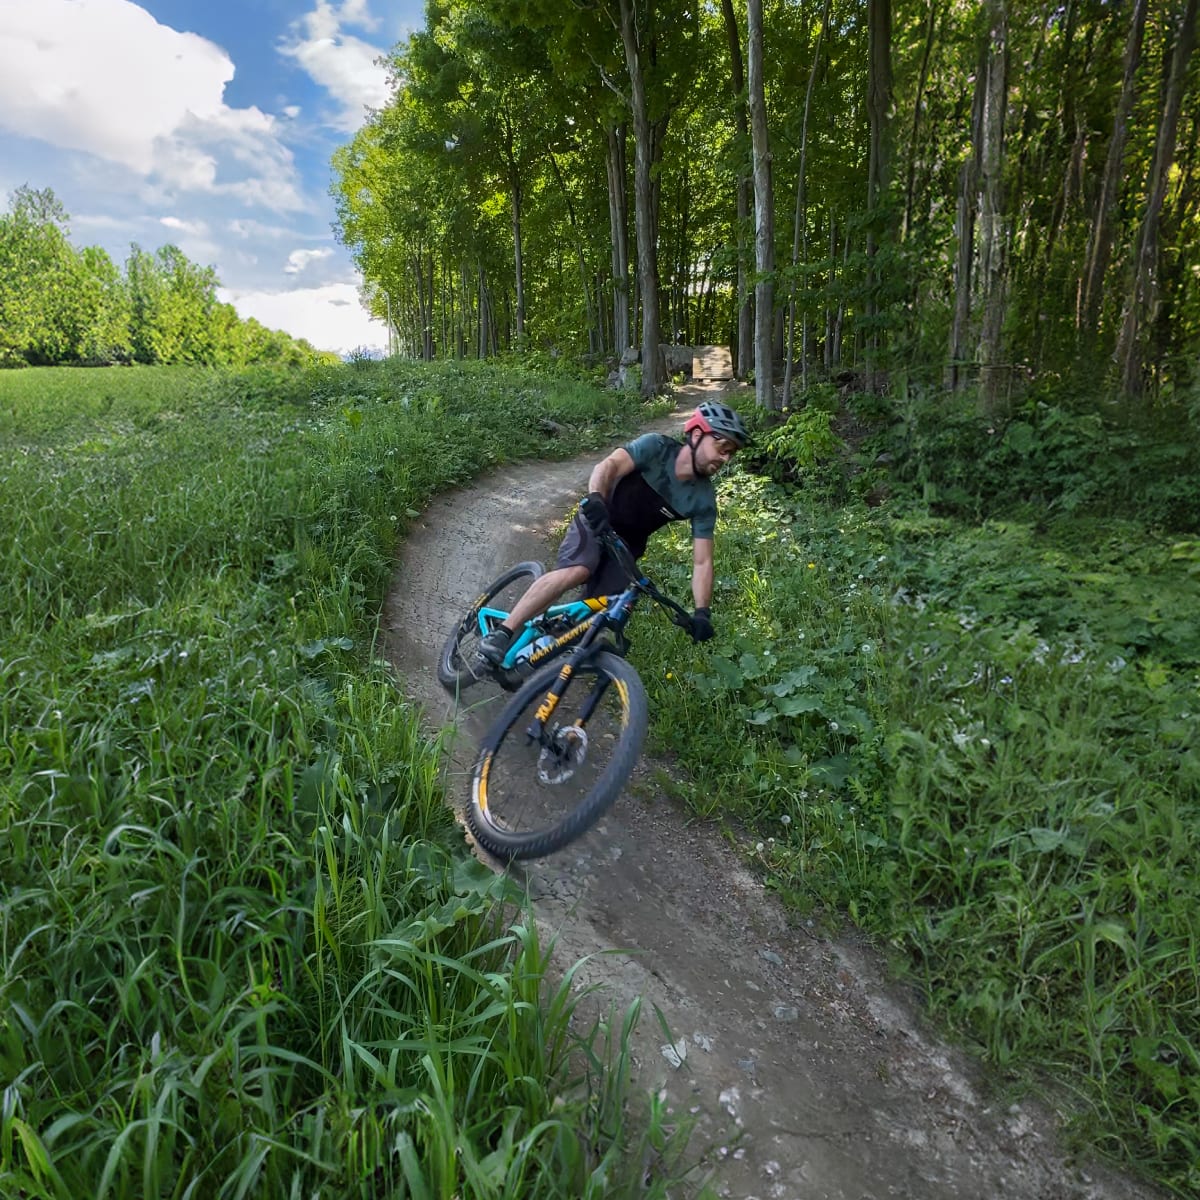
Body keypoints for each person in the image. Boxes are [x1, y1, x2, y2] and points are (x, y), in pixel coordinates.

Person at [472, 400, 751, 675]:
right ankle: (504, 632)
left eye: (731, 453)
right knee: (578, 570)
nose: (725, 458)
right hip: (597, 519)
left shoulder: (703, 500)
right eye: (722, 447)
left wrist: (702, 611)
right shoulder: (656, 448)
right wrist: (596, 500)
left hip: (627, 547)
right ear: (698, 434)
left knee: (596, 617)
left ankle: (533, 660)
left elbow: (702, 562)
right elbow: (608, 467)